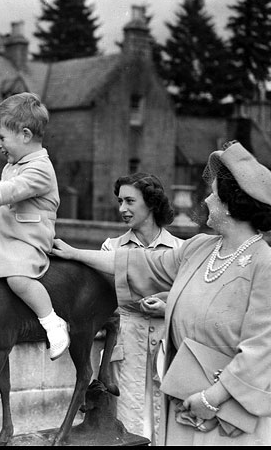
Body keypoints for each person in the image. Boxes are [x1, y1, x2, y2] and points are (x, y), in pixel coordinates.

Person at [51, 140, 271, 445]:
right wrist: (74, 254)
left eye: (214, 194)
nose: (207, 200)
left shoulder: (269, 266)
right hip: (184, 400)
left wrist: (212, 398)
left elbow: (261, 351)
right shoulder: (200, 248)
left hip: (228, 412)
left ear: (230, 205)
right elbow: (135, 262)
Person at [0, 92, 69, 361]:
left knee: (17, 279)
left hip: (26, 240)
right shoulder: (12, 165)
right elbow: (2, 203)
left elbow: (10, 191)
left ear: (26, 135)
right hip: (1, 237)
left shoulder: (40, 169)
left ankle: (52, 323)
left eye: (2, 138)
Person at [93, 172, 184, 445]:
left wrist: (167, 308)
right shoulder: (110, 248)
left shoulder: (180, 249)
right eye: (120, 201)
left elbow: (193, 303)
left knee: (166, 424)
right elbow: (104, 303)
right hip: (125, 348)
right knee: (127, 425)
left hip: (168, 350)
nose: (122, 209)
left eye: (130, 201)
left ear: (152, 203)